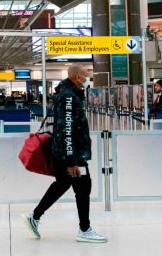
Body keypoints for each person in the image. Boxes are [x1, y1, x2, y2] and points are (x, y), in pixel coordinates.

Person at [23, 64, 106, 244]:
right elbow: (66, 129)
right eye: (85, 76)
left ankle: (35, 216)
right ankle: (84, 229)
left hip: (67, 152)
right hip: (71, 154)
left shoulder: (70, 94)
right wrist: (71, 161)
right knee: (83, 187)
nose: (87, 79)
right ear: (76, 77)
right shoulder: (69, 97)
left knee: (64, 183)